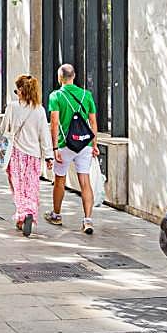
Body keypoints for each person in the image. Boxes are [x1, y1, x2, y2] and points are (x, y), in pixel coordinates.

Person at [45, 63, 99, 234]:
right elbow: (93, 122)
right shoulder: (86, 94)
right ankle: (88, 220)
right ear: (74, 76)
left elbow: (54, 123)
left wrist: (54, 148)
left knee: (60, 179)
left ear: (59, 78)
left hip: (65, 145)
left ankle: (57, 214)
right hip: (84, 144)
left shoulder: (55, 96)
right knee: (85, 181)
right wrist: (94, 144)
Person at [3, 74, 55, 237]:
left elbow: (4, 128)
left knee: (18, 186)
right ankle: (28, 212)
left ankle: (23, 213)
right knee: (31, 186)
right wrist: (49, 156)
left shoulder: (12, 107)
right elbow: (44, 135)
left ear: (20, 90)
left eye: (16, 90)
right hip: (33, 155)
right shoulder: (39, 110)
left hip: (16, 154)